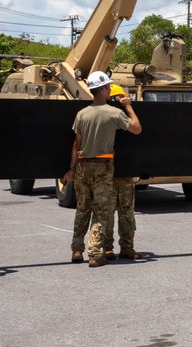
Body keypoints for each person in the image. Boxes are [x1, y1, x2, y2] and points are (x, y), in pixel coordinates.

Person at [64, 71, 142, 267]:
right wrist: (128, 108)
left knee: (82, 208)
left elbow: (76, 144)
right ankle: (95, 253)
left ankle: (76, 249)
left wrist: (71, 169)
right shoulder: (114, 113)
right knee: (100, 211)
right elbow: (136, 129)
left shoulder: (81, 114)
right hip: (102, 166)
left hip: (82, 165)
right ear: (105, 88)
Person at [101, 84, 141, 261]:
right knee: (108, 214)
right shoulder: (109, 116)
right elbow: (136, 128)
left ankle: (126, 247)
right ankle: (107, 248)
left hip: (123, 173)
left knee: (126, 213)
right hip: (108, 172)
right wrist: (128, 106)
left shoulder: (120, 116)